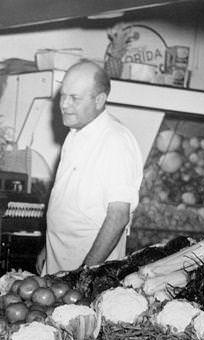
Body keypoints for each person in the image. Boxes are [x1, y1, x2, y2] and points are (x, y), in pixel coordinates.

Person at [37, 60, 144, 275]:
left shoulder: (115, 140)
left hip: (89, 271)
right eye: (63, 96)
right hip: (59, 260)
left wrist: (84, 273)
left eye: (74, 98)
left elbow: (118, 216)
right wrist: (48, 247)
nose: (64, 105)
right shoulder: (75, 133)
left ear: (99, 100)